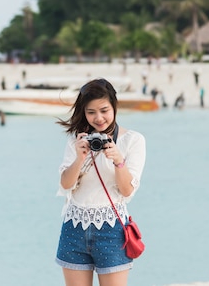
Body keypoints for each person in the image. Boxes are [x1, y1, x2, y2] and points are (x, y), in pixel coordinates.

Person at [55, 78, 146, 286]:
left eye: (104, 110)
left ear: (114, 106)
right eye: (91, 112)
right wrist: (79, 157)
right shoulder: (77, 141)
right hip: (74, 226)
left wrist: (118, 160)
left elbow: (126, 191)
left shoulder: (133, 140)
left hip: (112, 228)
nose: (99, 118)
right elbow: (66, 184)